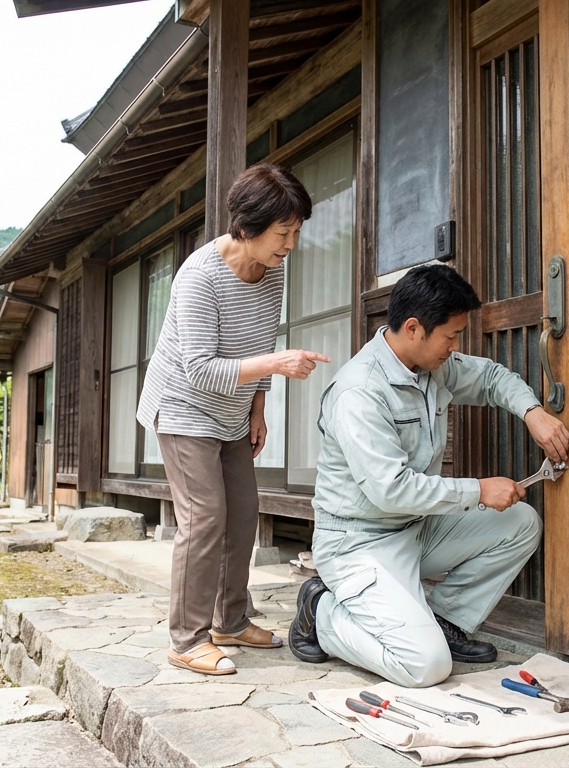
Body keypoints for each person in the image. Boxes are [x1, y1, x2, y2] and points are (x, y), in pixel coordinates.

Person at [288, 264, 569, 688]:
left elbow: (491, 377)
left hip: (415, 529)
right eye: (451, 336)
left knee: (520, 523)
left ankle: (444, 621)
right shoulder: (359, 392)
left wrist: (532, 412)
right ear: (414, 328)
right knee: (425, 666)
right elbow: (391, 490)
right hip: (358, 544)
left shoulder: (431, 365)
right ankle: (322, 612)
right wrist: (478, 490)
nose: (455, 347)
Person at [137, 163, 332, 676]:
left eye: (296, 231)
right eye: (282, 232)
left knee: (243, 514)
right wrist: (277, 365)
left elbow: (260, 340)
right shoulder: (199, 277)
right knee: (204, 518)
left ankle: (229, 621)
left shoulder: (273, 269)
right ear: (247, 226)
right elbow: (200, 369)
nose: (290, 244)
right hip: (182, 406)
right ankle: (187, 638)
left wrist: (258, 408)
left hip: (232, 410)